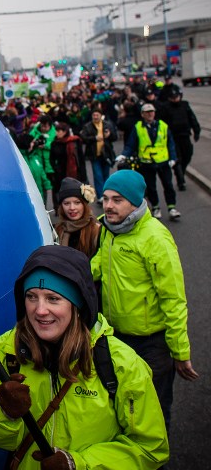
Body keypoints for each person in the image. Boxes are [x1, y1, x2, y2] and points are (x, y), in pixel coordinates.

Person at [0, 245, 169, 470]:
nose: (40, 310)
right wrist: (4, 413)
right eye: (31, 297)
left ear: (77, 304)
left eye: (53, 298)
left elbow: (151, 448)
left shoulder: (120, 363)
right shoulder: (8, 350)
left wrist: (79, 464)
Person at [92, 170, 199, 434]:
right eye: (106, 198)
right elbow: (99, 265)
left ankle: (156, 455)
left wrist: (180, 352)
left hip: (152, 345)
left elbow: (173, 299)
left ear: (135, 202)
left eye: (117, 200)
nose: (108, 205)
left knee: (154, 412)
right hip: (116, 338)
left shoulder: (155, 238)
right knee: (122, 407)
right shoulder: (109, 229)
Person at [116, 103, 180, 220]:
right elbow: (131, 144)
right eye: (147, 112)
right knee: (151, 187)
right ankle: (156, 207)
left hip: (162, 161)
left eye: (151, 111)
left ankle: (172, 207)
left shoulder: (163, 126)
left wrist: (173, 157)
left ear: (154, 113)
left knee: (168, 185)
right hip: (146, 162)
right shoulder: (138, 127)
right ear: (142, 114)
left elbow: (170, 143)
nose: (150, 114)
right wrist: (124, 155)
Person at [159, 87, 201, 191]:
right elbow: (162, 123)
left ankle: (181, 170)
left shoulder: (184, 105)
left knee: (188, 154)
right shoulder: (165, 107)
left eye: (176, 97)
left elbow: (192, 118)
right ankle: (180, 180)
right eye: (173, 97)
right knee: (177, 158)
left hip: (185, 135)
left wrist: (196, 131)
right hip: (173, 138)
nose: (175, 99)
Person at [54, 178, 100, 259]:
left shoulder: (96, 230)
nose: (72, 208)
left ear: (84, 205)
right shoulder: (58, 230)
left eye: (77, 202)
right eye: (66, 203)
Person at [80, 109, 117, 202]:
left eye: (97, 115)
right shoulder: (88, 126)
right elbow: (84, 138)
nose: (95, 117)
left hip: (106, 154)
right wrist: (94, 138)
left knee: (106, 175)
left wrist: (109, 135)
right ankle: (101, 196)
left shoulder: (107, 125)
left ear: (101, 115)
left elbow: (115, 137)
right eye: (94, 115)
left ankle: (107, 193)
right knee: (98, 175)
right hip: (94, 155)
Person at [49, 123, 87, 208]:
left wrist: (83, 174)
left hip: (74, 171)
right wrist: (55, 168)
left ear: (65, 132)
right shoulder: (54, 143)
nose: (57, 133)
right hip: (60, 173)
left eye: (59, 131)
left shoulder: (75, 141)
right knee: (58, 191)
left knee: (74, 191)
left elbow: (81, 159)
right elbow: (51, 158)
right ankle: (59, 209)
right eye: (56, 131)